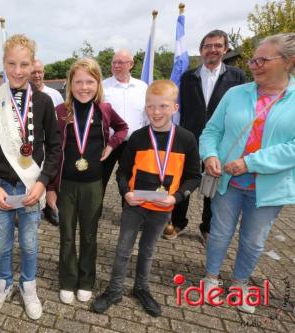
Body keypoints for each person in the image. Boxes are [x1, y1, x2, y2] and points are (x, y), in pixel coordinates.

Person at [200, 33, 294, 314]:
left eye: (263, 60)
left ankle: (240, 284)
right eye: (253, 59)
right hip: (228, 182)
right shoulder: (235, 93)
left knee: (253, 241)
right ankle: (210, 278)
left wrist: (250, 163)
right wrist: (211, 155)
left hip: (269, 187)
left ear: (289, 62)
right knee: (218, 233)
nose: (254, 65)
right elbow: (211, 132)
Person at [91, 80, 201, 317]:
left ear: (175, 107)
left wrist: (177, 197)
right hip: (135, 206)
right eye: (150, 106)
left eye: (163, 106)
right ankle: (115, 289)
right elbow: (123, 172)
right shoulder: (138, 137)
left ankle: (141, 288)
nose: (156, 112)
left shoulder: (186, 139)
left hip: (162, 208)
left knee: (148, 250)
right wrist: (125, 193)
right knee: (123, 249)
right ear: (145, 108)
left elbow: (194, 176)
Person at [0, 34, 61, 320]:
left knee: (29, 243)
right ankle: (3, 284)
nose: (17, 70)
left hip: (30, 186)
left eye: (24, 64)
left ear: (32, 65)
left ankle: (28, 285)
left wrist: (42, 181)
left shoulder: (44, 102)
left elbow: (54, 147)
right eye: (11, 63)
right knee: (2, 244)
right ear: (3, 63)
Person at [46, 58, 128, 305]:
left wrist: (112, 145)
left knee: (90, 235)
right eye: (78, 81)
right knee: (67, 234)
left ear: (98, 83)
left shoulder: (104, 109)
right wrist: (50, 187)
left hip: (94, 184)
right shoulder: (61, 112)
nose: (84, 87)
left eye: (89, 81)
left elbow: (123, 128)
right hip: (66, 185)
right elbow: (51, 149)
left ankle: (86, 280)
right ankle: (67, 281)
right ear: (69, 84)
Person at [164, 30, 246, 241]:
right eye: (207, 46)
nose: (212, 50)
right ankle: (178, 222)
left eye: (217, 46)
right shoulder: (188, 76)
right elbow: (180, 108)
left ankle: (207, 227)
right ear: (201, 51)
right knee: (184, 182)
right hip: (190, 139)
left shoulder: (236, 76)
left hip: (220, 142)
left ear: (225, 49)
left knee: (213, 185)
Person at [102, 48, 148, 192]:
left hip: (133, 143)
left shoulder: (142, 87)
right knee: (100, 180)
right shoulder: (102, 86)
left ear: (131, 64)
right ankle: (94, 213)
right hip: (107, 143)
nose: (116, 66)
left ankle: (129, 213)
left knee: (129, 181)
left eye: (120, 63)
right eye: (114, 62)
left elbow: (146, 115)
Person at [30, 58, 64, 226]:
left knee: (49, 175)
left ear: (44, 73)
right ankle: (38, 206)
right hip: (32, 146)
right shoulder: (25, 95)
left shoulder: (55, 94)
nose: (37, 75)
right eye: (33, 72)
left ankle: (49, 208)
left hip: (49, 142)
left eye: (40, 72)